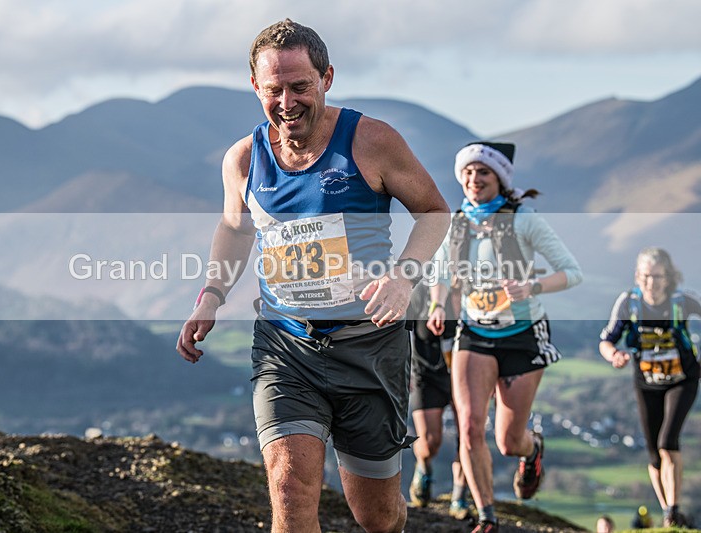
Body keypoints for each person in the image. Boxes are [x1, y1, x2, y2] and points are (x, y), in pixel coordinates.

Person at [176, 19, 450, 533]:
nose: (287, 102)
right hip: (286, 346)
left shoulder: (371, 141)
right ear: (255, 87)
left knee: (377, 517)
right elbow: (235, 228)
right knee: (289, 488)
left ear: (327, 78)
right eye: (273, 89)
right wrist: (211, 296)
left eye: (300, 86)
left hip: (369, 347)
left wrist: (403, 276)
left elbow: (434, 212)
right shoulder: (243, 159)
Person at [429, 141, 582, 533]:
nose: (473, 179)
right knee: (468, 427)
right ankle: (487, 516)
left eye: (483, 172)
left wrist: (532, 287)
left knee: (509, 442)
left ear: (499, 179)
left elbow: (572, 271)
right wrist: (436, 305)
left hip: (522, 335)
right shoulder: (457, 222)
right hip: (474, 334)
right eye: (467, 172)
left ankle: (532, 452)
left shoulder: (524, 219)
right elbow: (440, 272)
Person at [599, 248, 700, 529]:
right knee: (655, 454)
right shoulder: (629, 303)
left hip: (683, 379)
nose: (650, 283)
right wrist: (613, 356)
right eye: (644, 276)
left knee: (668, 442)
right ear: (636, 276)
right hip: (647, 384)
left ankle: (672, 512)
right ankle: (668, 508)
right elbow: (607, 340)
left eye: (656, 277)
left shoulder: (683, 301)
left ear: (668, 278)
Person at [407, 284, 470, 520]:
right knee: (430, 442)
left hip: (466, 375)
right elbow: (400, 331)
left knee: (468, 436)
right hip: (426, 374)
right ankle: (422, 467)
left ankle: (459, 497)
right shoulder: (421, 293)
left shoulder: (474, 294)